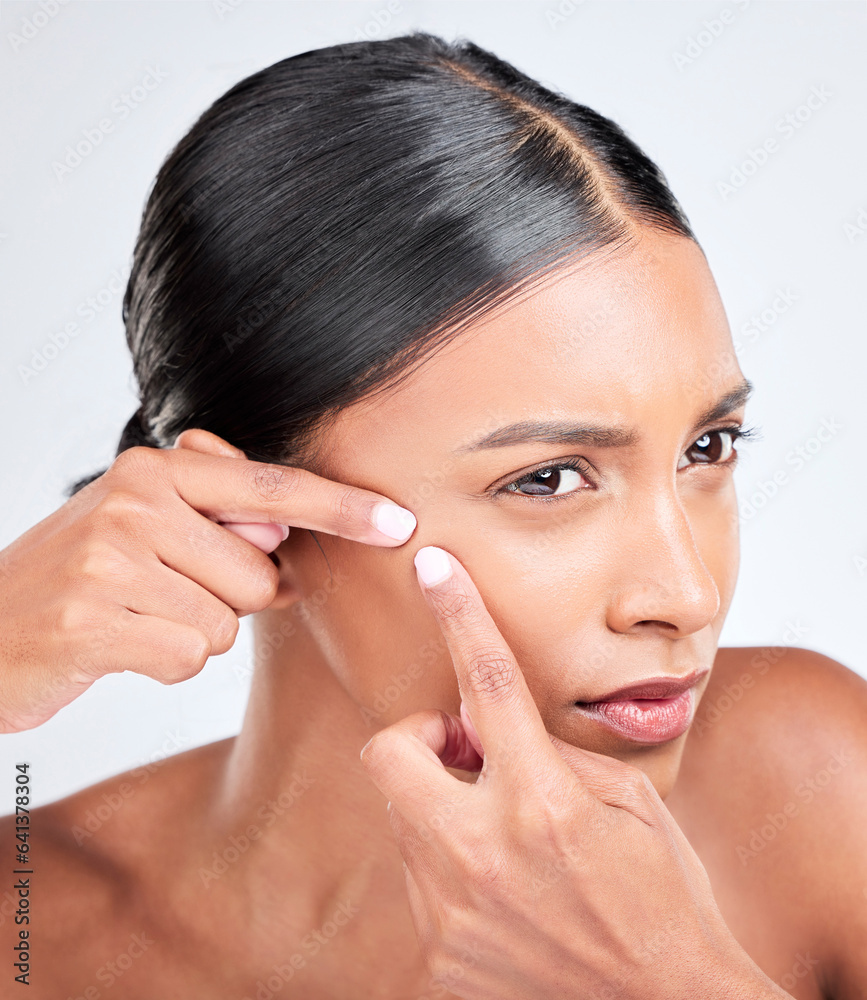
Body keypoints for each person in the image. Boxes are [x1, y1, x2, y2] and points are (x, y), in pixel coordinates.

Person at [1, 32, 865, 1000]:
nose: (687, 594)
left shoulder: (814, 784)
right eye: (547, 479)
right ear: (245, 508)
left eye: (708, 448)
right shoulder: (34, 931)